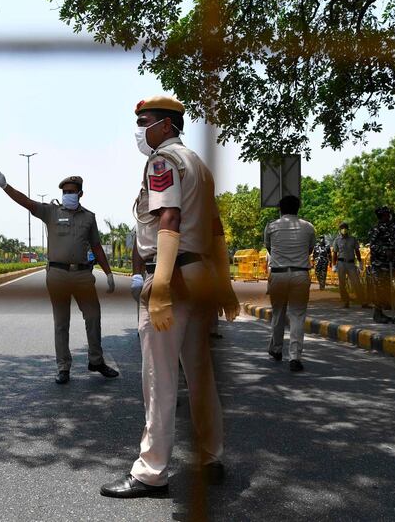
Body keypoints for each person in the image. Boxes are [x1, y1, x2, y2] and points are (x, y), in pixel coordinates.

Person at [100, 95, 238, 499]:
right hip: (199, 277)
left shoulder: (162, 161)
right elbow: (216, 231)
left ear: (166, 125)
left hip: (173, 277)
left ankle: (150, 471)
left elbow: (168, 217)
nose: (139, 130)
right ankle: (211, 458)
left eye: (144, 121)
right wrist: (225, 285)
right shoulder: (199, 165)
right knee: (200, 376)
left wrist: (158, 286)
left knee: (159, 377)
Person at [0, 171, 119, 384]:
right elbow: (27, 203)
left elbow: (96, 246)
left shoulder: (89, 217)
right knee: (61, 323)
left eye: (72, 192)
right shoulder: (51, 212)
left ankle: (96, 361)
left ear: (80, 194)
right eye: (65, 192)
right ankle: (63, 367)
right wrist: (6, 186)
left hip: (83, 274)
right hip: (57, 274)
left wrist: (109, 272)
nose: (68, 194)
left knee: (93, 316)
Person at [264, 195, 315, 372]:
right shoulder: (308, 227)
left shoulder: (271, 226)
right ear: (298, 208)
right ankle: (295, 357)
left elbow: (269, 248)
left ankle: (277, 349)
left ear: (280, 209)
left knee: (278, 314)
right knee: (297, 315)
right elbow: (310, 249)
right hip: (300, 274)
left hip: (278, 275)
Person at [368, 206, 395, 324]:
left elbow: (394, 236)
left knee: (385, 287)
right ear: (382, 215)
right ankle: (377, 313)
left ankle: (382, 312)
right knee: (379, 288)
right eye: (386, 214)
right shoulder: (376, 229)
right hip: (378, 264)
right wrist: (385, 251)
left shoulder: (389, 228)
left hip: (387, 263)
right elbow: (373, 246)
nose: (388, 216)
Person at [331, 222, 370, 308]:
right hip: (341, 263)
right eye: (342, 228)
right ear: (340, 230)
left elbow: (357, 251)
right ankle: (346, 301)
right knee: (342, 284)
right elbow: (334, 254)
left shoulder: (353, 239)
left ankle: (363, 301)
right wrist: (334, 265)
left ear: (348, 229)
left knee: (356, 282)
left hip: (351, 263)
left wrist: (360, 262)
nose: (344, 229)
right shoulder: (337, 240)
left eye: (345, 228)